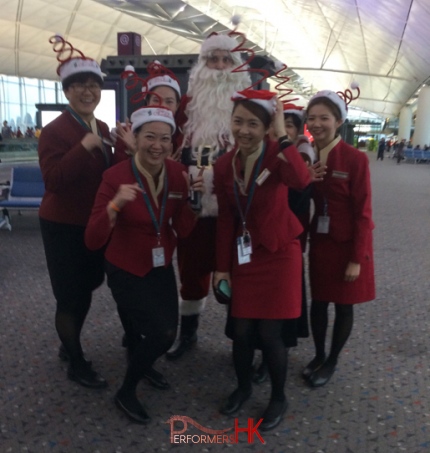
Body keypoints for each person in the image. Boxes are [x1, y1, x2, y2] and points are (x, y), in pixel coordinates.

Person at [213, 90, 324, 431]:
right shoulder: (224, 164)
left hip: (279, 254)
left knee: (271, 333)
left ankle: (278, 396)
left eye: (253, 124)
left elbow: (302, 181)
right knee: (242, 331)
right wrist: (220, 267)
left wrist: (282, 135)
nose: (244, 130)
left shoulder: (278, 154)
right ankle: (244, 387)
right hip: (246, 258)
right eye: (238, 122)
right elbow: (226, 219)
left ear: (264, 127)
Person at [85, 105, 203, 424]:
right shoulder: (115, 177)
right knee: (162, 333)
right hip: (125, 266)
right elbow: (93, 239)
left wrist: (194, 205)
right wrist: (114, 205)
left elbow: (184, 230)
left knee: (159, 331)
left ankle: (144, 363)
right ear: (134, 139)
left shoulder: (178, 175)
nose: (157, 145)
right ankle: (126, 390)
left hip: (161, 263)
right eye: (149, 137)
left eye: (165, 138)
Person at [165, 29, 252, 360]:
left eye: (225, 59)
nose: (218, 66)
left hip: (235, 205)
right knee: (190, 270)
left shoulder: (248, 105)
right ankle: (189, 335)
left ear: (237, 65)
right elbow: (169, 147)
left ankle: (241, 339)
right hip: (195, 203)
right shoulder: (187, 106)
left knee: (239, 272)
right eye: (211, 59)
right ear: (201, 64)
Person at [38, 36, 113, 389]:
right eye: (80, 85)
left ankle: (70, 345)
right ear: (67, 91)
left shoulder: (104, 128)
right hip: (62, 225)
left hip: (93, 223)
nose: (88, 91)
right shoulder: (55, 131)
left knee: (87, 288)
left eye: (94, 85)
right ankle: (74, 358)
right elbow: (54, 181)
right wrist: (84, 147)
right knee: (70, 296)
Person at [302, 87, 375, 388]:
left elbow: (364, 213)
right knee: (318, 303)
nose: (317, 124)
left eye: (325, 118)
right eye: (312, 118)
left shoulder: (355, 159)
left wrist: (357, 259)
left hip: (348, 246)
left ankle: (332, 360)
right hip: (320, 244)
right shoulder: (305, 156)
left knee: (344, 306)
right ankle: (318, 354)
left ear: (338, 121)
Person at [114, 61, 182, 161]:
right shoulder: (128, 133)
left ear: (177, 105)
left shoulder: (182, 138)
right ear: (147, 102)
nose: (162, 106)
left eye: (169, 101)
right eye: (156, 100)